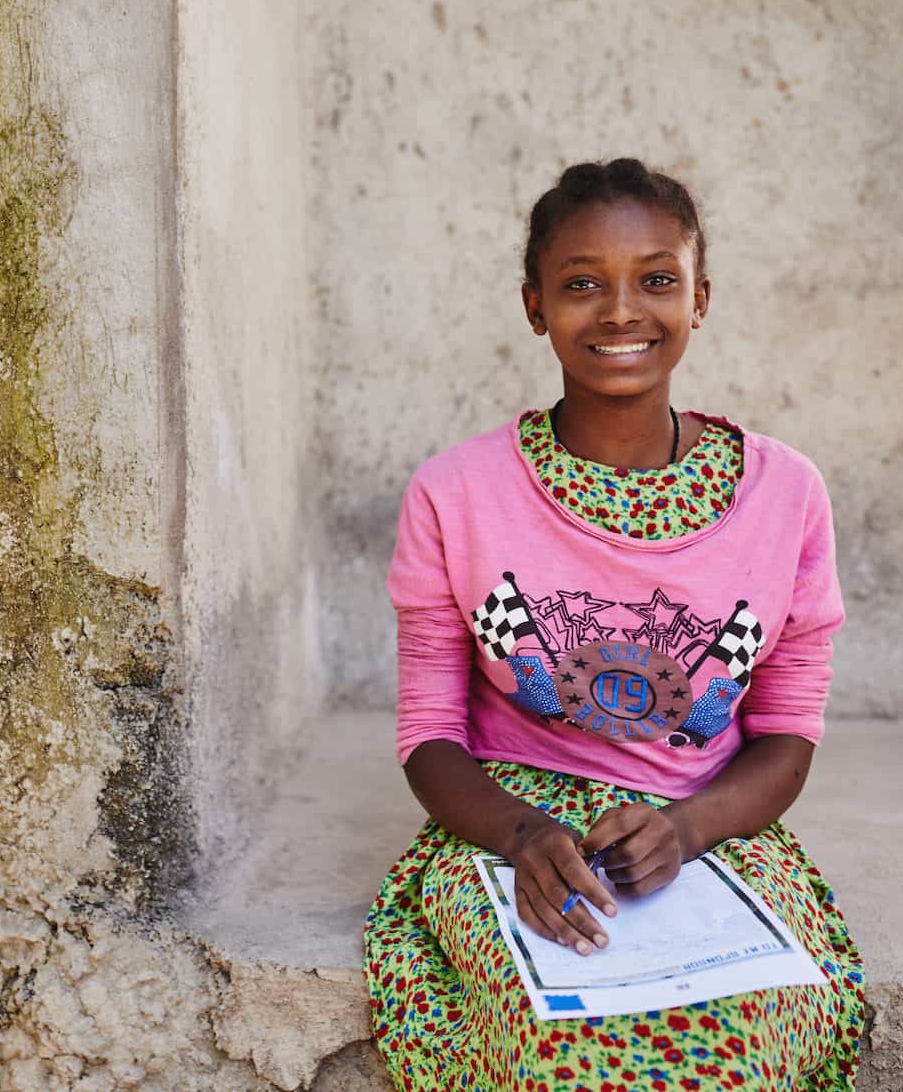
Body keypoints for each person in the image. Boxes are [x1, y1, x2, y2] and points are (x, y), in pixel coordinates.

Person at [364, 158, 867, 1091]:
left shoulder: (786, 493)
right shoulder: (456, 493)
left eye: (657, 279)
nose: (621, 310)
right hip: (513, 820)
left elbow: (790, 730)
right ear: (535, 304)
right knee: (560, 1044)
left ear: (700, 297)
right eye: (583, 283)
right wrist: (522, 838)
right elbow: (429, 731)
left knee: (743, 1042)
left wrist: (685, 827)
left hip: (711, 821)